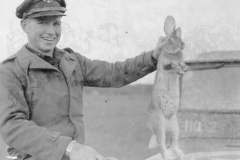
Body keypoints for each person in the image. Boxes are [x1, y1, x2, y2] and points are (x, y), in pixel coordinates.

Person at [0, 0, 167, 160]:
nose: (51, 31)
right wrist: (70, 147)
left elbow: (115, 73)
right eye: (42, 22)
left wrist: (152, 57)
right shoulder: (10, 70)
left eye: (56, 23)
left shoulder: (71, 61)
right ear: (24, 26)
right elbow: (12, 126)